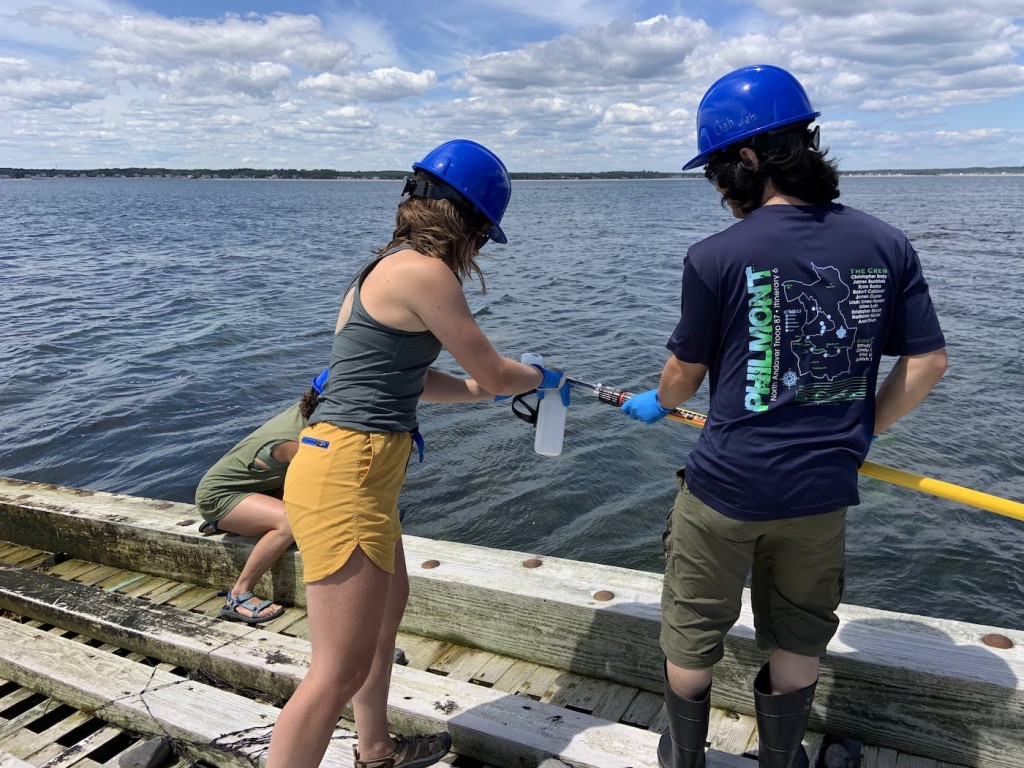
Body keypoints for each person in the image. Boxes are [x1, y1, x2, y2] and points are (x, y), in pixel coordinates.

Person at [621, 65, 947, 768]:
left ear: (747, 160)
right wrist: (857, 431)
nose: (716, 190)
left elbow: (682, 377)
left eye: (716, 171)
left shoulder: (715, 257)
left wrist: (659, 403)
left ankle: (684, 757)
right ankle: (779, 759)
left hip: (725, 487)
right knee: (799, 634)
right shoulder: (887, 245)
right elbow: (926, 365)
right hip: (823, 491)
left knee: (691, 630)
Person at [265, 139, 569, 768]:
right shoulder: (426, 273)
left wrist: (482, 389)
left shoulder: (383, 268)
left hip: (357, 472)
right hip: (348, 475)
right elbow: (491, 365)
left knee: (381, 625)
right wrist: (538, 376)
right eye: (483, 234)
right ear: (470, 221)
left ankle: (375, 750)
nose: (480, 249)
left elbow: (407, 379)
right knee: (335, 672)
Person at [194, 368, 328, 624]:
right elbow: (304, 497)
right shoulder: (301, 442)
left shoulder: (308, 413)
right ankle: (239, 594)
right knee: (292, 523)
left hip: (254, 488)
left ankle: (244, 521)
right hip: (219, 497)